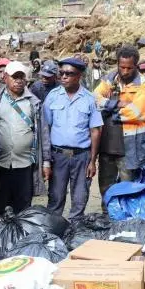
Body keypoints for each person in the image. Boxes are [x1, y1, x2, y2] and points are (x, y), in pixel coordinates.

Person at [0, 61, 50, 218]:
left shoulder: (34, 103)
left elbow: (43, 133)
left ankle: (21, 241)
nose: (18, 81)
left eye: (21, 77)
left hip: (25, 165)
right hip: (1, 165)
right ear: (5, 78)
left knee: (22, 210)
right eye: (15, 77)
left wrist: (46, 162)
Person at [94, 45, 145, 211]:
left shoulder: (143, 85)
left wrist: (108, 110)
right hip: (107, 145)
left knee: (127, 186)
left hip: (129, 146)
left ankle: (125, 217)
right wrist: (117, 103)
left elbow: (137, 113)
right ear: (117, 64)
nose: (125, 71)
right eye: (122, 67)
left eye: (129, 68)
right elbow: (95, 98)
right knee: (105, 183)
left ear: (136, 66)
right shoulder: (110, 78)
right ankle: (107, 214)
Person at [44, 58, 103, 219]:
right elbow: (45, 129)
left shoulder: (89, 99)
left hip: (81, 157)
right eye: (61, 73)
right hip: (58, 157)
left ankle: (75, 234)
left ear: (79, 76)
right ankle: (53, 235)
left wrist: (92, 161)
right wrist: (46, 160)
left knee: (79, 199)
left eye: (69, 74)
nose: (63, 77)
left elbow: (95, 131)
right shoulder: (53, 96)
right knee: (55, 198)